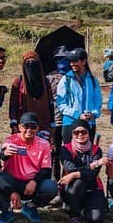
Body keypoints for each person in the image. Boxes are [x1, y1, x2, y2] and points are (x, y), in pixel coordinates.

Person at [0, 112, 57, 223]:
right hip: (12, 181)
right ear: (19, 127)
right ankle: (6, 210)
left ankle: (30, 206)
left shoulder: (44, 144)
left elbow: (46, 169)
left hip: (32, 183)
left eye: (33, 127)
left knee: (51, 187)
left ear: (37, 128)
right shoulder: (12, 140)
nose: (29, 130)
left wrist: (34, 182)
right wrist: (5, 153)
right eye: (25, 126)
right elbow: (4, 153)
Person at [58, 120, 108, 223]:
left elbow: (94, 174)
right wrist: (92, 165)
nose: (80, 135)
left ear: (89, 133)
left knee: (96, 219)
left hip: (93, 187)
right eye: (76, 132)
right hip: (72, 187)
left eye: (83, 132)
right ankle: (74, 215)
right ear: (72, 134)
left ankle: (85, 208)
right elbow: (70, 168)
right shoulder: (65, 149)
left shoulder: (96, 150)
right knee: (79, 182)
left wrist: (75, 174)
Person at [55, 48, 102, 143]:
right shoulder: (66, 80)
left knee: (87, 154)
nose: (72, 64)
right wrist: (77, 115)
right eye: (71, 61)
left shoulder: (93, 80)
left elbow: (98, 102)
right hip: (70, 123)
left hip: (89, 123)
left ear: (84, 61)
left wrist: (94, 114)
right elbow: (61, 104)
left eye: (75, 61)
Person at [9, 51, 54, 140]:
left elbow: (51, 103)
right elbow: (13, 104)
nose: (31, 65)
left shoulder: (45, 82)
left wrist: (53, 124)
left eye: (33, 63)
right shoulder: (18, 81)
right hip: (24, 125)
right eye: (27, 63)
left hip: (43, 124)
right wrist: (13, 124)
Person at [46, 46, 70, 180]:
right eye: (58, 59)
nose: (61, 62)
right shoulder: (49, 78)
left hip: (69, 119)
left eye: (64, 59)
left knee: (69, 151)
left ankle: (66, 180)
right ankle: (54, 180)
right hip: (53, 120)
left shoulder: (74, 77)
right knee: (54, 151)